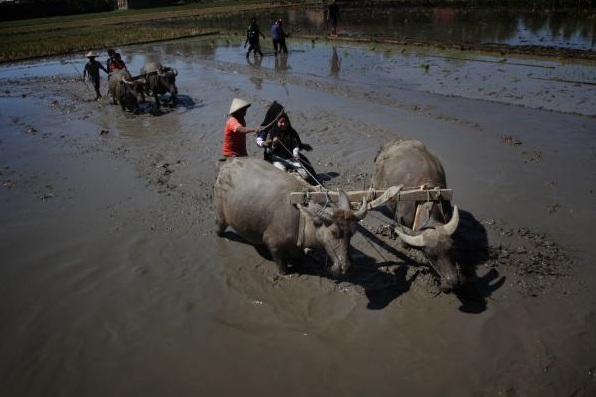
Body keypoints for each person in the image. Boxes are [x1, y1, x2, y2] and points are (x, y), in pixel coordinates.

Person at [256, 108, 316, 184]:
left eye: (285, 122)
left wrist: (295, 154)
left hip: (291, 158)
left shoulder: (292, 132)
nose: (283, 124)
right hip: (278, 159)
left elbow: (296, 146)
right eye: (281, 122)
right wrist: (273, 144)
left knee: (304, 174)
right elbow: (269, 151)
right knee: (281, 174)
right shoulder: (271, 133)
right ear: (277, 122)